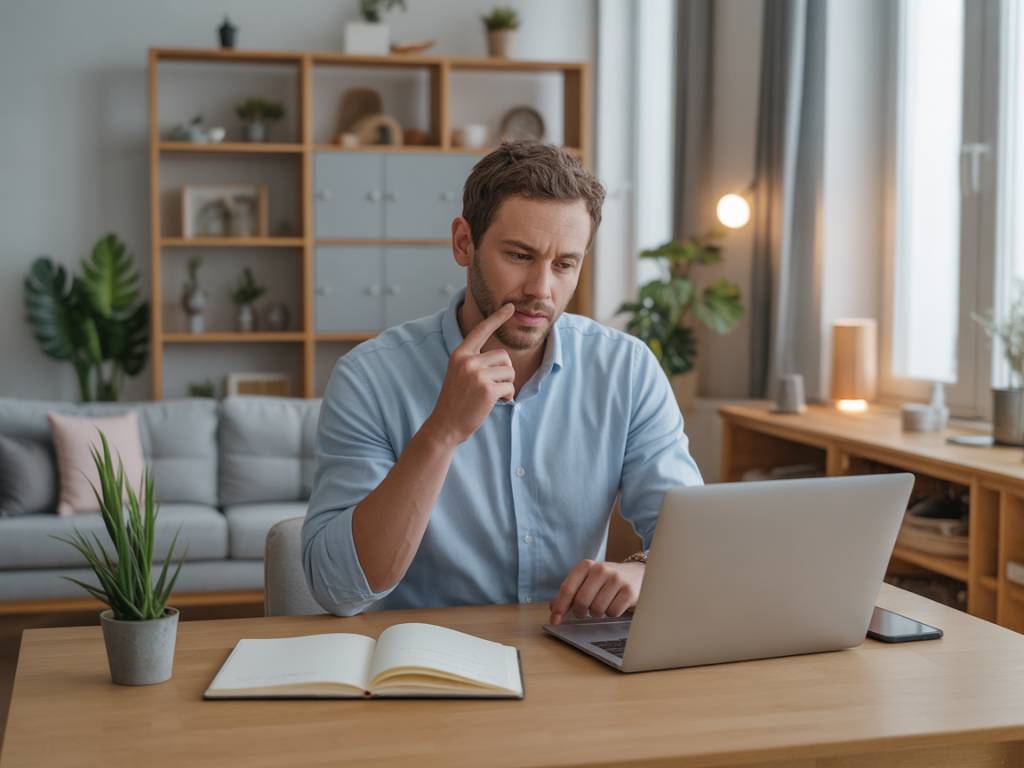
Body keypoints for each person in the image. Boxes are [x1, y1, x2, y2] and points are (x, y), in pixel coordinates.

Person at [302, 140, 703, 624]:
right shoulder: (369, 377)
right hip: (427, 670)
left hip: (572, 664)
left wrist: (644, 572)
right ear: (463, 243)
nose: (541, 289)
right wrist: (442, 432)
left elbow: (693, 541)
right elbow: (338, 589)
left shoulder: (627, 369)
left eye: (564, 264)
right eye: (519, 255)